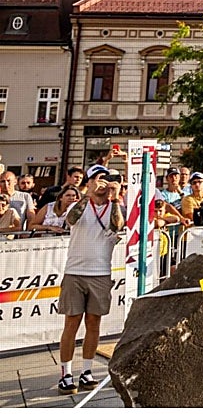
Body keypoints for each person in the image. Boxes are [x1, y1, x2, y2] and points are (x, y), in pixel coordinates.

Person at [58, 166, 125, 395]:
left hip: (100, 273)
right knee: (71, 322)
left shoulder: (114, 206)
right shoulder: (80, 204)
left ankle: (86, 370)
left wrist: (115, 198)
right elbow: (71, 219)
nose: (104, 184)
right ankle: (66, 373)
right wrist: (87, 195)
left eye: (108, 180)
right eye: (100, 179)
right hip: (75, 272)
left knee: (94, 323)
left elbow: (117, 225)